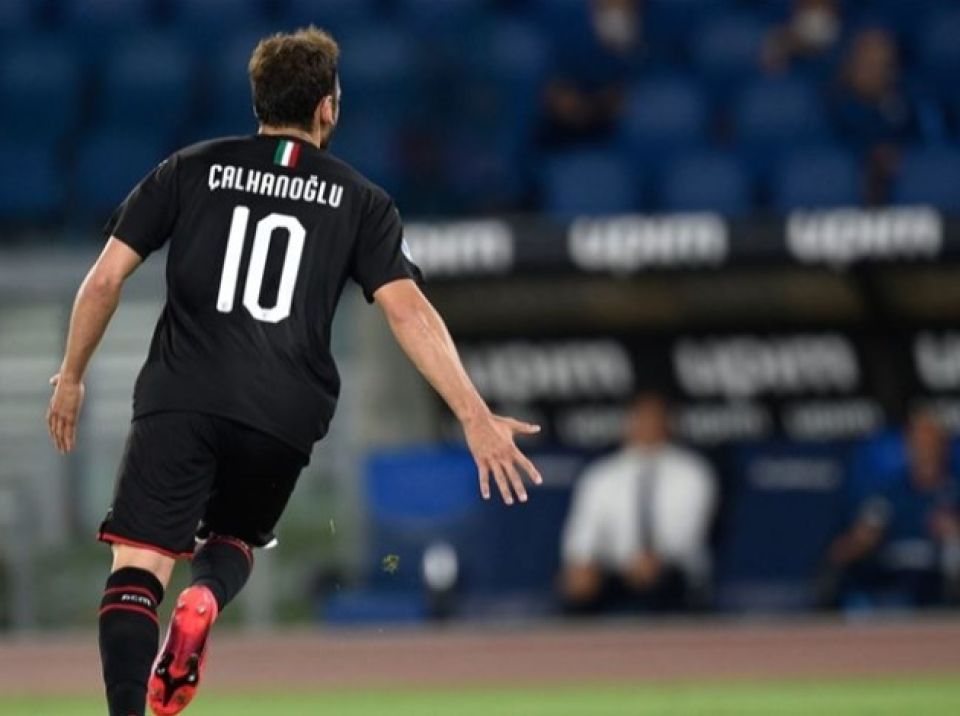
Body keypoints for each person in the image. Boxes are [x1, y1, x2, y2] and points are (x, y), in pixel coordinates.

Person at [44, 27, 543, 716]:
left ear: (258, 100)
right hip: (282, 412)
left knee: (139, 564)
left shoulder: (190, 167)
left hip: (181, 393)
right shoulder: (363, 201)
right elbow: (408, 313)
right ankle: (205, 596)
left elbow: (104, 281)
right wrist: (473, 414)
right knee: (232, 539)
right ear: (327, 107)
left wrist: (72, 375)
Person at [559, 394, 717, 615]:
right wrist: (582, 563)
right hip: (615, 572)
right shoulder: (601, 475)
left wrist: (654, 559)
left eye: (654, 418)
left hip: (674, 572)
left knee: (662, 578)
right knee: (579, 582)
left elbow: (689, 535)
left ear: (668, 423)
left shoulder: (693, 472)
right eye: (641, 418)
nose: (647, 425)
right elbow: (582, 534)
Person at [820, 409, 959, 610]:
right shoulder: (889, 493)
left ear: (943, 447)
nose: (925, 450)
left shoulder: (954, 492)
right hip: (891, 576)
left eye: (931, 443)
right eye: (919, 443)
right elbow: (850, 546)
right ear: (908, 447)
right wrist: (862, 540)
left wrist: (954, 534)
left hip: (938, 579)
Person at [536, 0, 645, 150]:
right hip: (554, 133)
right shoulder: (565, 23)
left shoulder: (629, 34)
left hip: (612, 128)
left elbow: (622, 98)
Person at [831, 28, 919, 204]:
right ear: (851, 65)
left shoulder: (908, 105)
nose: (875, 71)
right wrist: (871, 157)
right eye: (868, 64)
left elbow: (928, 145)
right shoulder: (834, 106)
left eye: (883, 64)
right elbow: (831, 153)